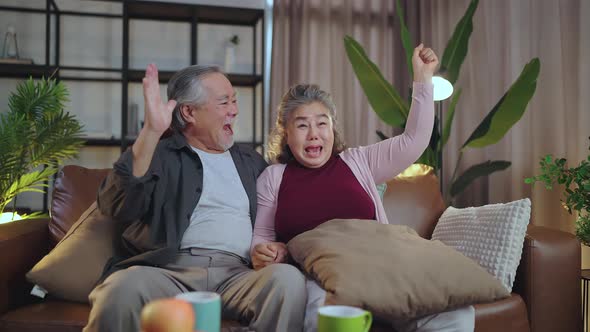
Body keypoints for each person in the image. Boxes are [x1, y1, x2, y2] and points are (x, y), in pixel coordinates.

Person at [250, 44, 475, 331]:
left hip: (381, 267)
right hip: (321, 280)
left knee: (457, 314)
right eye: (302, 125)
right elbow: (262, 236)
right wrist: (264, 251)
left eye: (322, 123)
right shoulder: (274, 177)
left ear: (333, 128)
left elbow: (414, 140)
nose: (314, 134)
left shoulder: (359, 161)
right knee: (326, 318)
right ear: (286, 133)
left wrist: (423, 78)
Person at [83, 64, 307, 332]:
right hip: (170, 272)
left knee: (288, 281)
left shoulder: (251, 162)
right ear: (189, 112)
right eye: (224, 102)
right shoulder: (159, 153)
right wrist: (151, 132)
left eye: (234, 100)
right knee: (120, 289)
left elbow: (275, 221)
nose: (234, 110)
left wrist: (277, 247)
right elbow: (115, 205)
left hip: (238, 275)